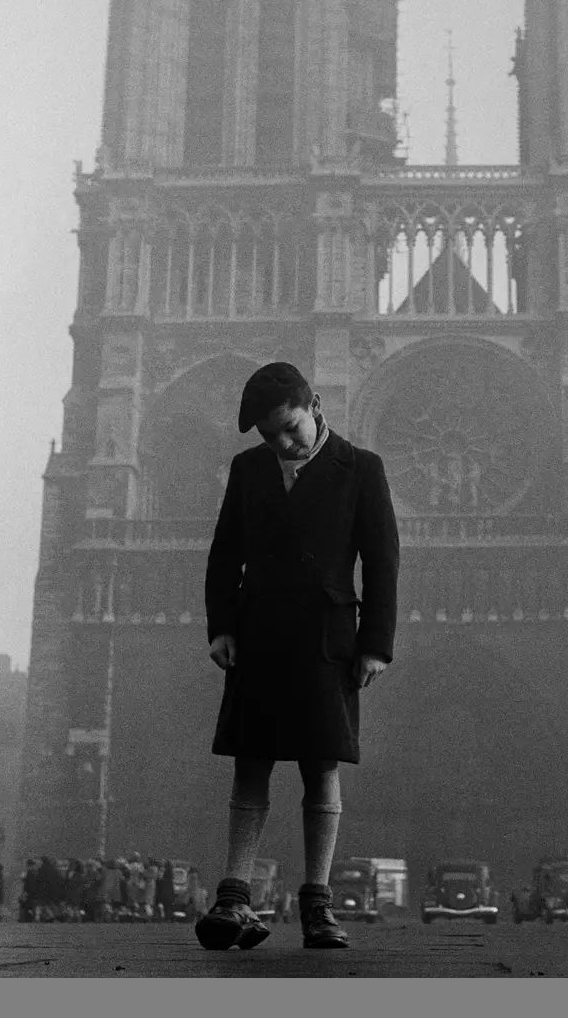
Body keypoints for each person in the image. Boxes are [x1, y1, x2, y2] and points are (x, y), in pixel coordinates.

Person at [197, 362, 399, 952]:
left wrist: (376, 644)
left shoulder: (362, 468)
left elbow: (382, 560)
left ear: (315, 406)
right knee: (250, 762)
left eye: (290, 428)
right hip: (259, 630)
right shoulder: (248, 469)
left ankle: (317, 904)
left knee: (320, 767)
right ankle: (234, 898)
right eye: (271, 436)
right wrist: (221, 627)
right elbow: (224, 553)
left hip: (325, 636)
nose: (283, 444)